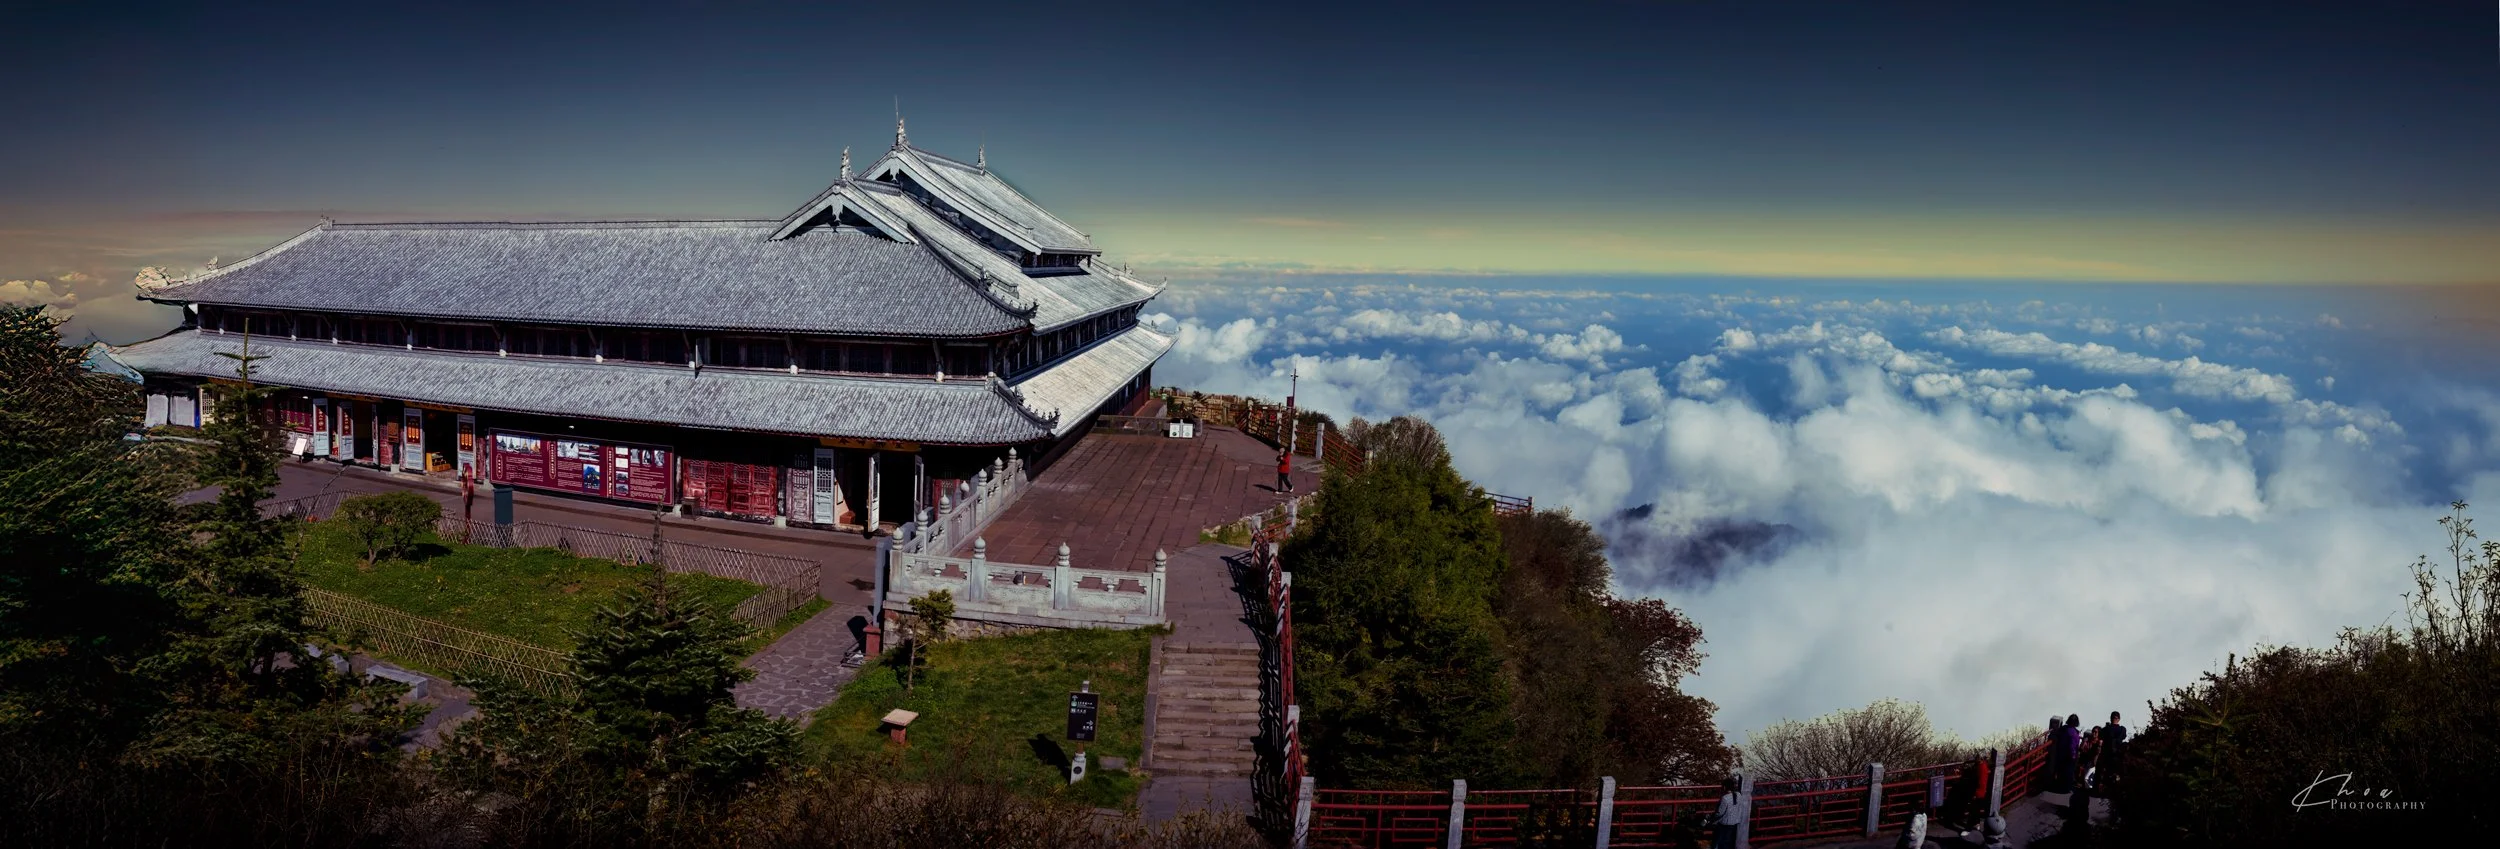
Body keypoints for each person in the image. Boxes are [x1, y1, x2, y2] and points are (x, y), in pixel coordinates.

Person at [1710, 776, 1746, 849]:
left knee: (1722, 843)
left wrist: (1712, 816)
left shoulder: (1725, 798)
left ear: (1724, 787)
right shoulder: (1738, 795)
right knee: (1731, 843)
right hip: (1735, 823)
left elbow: (1720, 813)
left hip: (1725, 824)